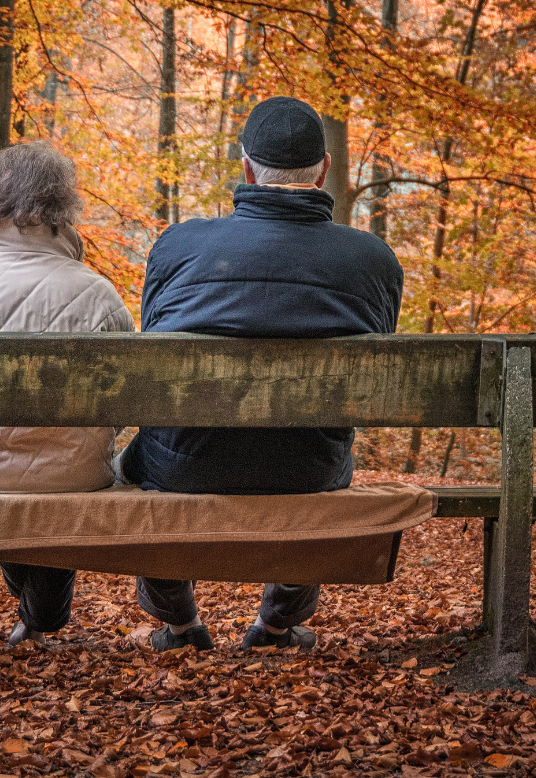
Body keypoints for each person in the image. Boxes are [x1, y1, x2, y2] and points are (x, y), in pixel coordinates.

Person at [119, 96, 403, 653]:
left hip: (185, 466)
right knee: (311, 452)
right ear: (323, 171)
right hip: (308, 468)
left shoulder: (178, 246)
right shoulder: (372, 261)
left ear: (246, 168)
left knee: (148, 456)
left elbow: (155, 343)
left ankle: (179, 627)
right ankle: (275, 627)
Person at [0, 141, 134, 645]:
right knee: (55, 476)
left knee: (9, 480)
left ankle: (39, 615)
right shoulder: (96, 292)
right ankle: (45, 615)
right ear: (64, 211)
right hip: (73, 473)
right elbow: (122, 407)